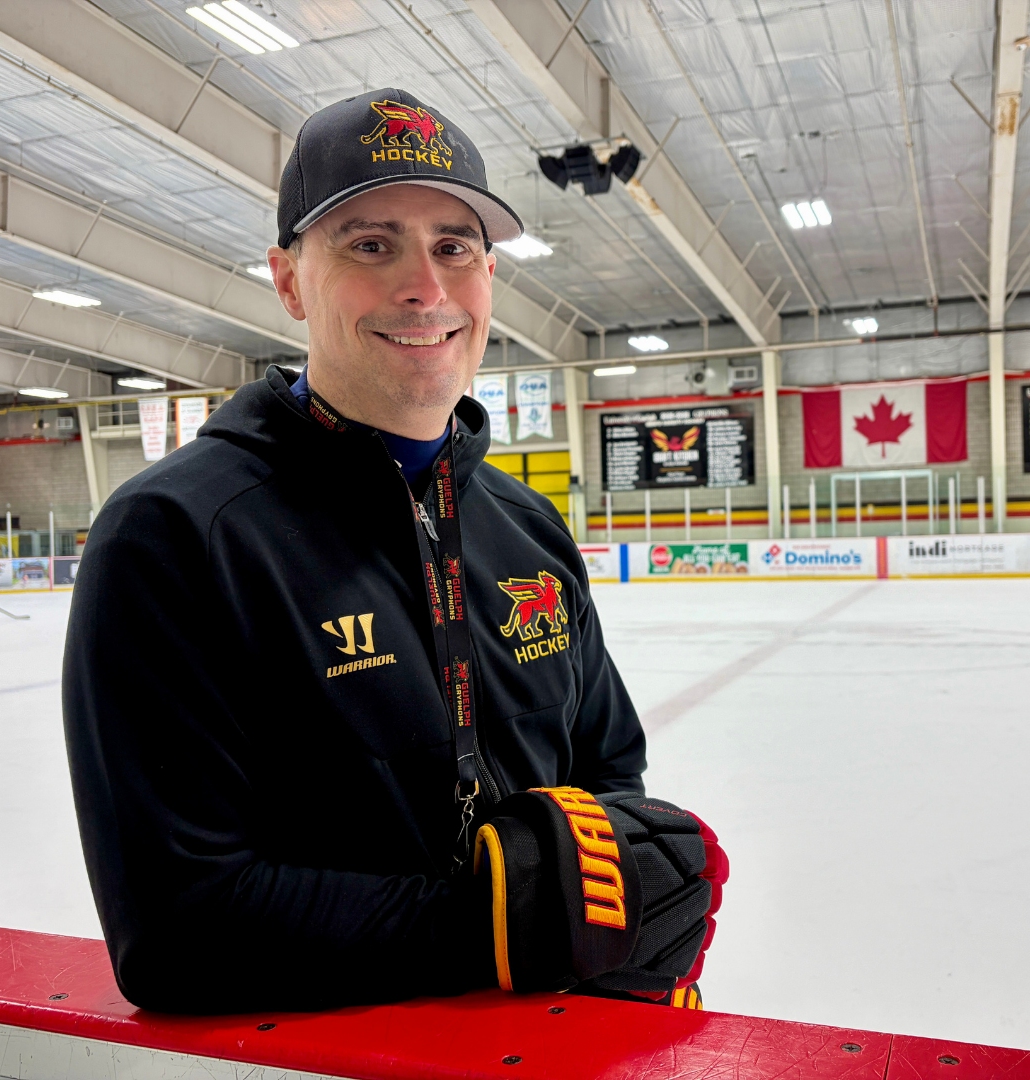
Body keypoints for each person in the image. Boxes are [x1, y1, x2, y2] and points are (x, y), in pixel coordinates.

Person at [63, 89, 725, 1013]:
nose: (426, 287)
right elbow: (176, 931)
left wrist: (613, 898)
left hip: (545, 1042)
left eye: (454, 247)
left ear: (489, 273)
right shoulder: (175, 537)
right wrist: (496, 926)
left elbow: (608, 775)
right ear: (289, 281)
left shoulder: (529, 526)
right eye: (371, 245)